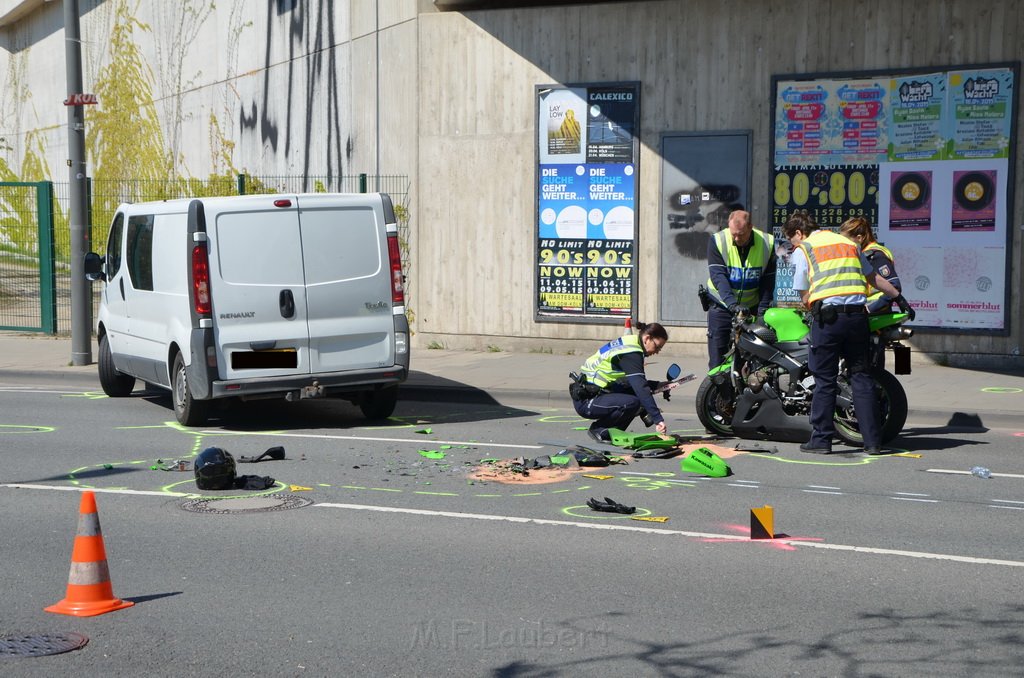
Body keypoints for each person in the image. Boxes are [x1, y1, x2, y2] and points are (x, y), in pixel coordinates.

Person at [782, 213, 915, 456]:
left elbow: (803, 293)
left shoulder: (805, 248)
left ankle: (821, 440)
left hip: (829, 320)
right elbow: (874, 278)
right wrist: (898, 297)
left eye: (792, 240)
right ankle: (873, 442)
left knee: (825, 380)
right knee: (861, 378)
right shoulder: (849, 244)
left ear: (799, 234)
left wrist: (812, 307)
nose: (792, 245)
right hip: (857, 318)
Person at [571, 322, 672, 443]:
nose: (657, 351)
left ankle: (615, 431)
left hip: (595, 393)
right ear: (647, 338)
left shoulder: (631, 342)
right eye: (657, 346)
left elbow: (631, 383)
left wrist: (657, 385)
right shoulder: (632, 353)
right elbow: (640, 387)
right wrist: (657, 419)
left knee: (637, 398)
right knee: (633, 402)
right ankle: (599, 429)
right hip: (587, 400)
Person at [705, 210, 777, 369]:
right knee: (717, 357)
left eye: (741, 234)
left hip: (751, 306)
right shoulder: (717, 241)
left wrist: (762, 312)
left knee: (752, 356)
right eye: (733, 234)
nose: (736, 239)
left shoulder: (767, 243)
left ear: (751, 227)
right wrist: (731, 304)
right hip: (722, 305)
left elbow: (768, 281)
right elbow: (718, 277)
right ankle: (718, 390)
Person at [838, 217, 902, 314]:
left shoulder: (875, 255)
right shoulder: (862, 253)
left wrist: (871, 308)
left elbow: (894, 285)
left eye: (846, 241)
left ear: (859, 238)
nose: (842, 245)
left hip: (875, 312)